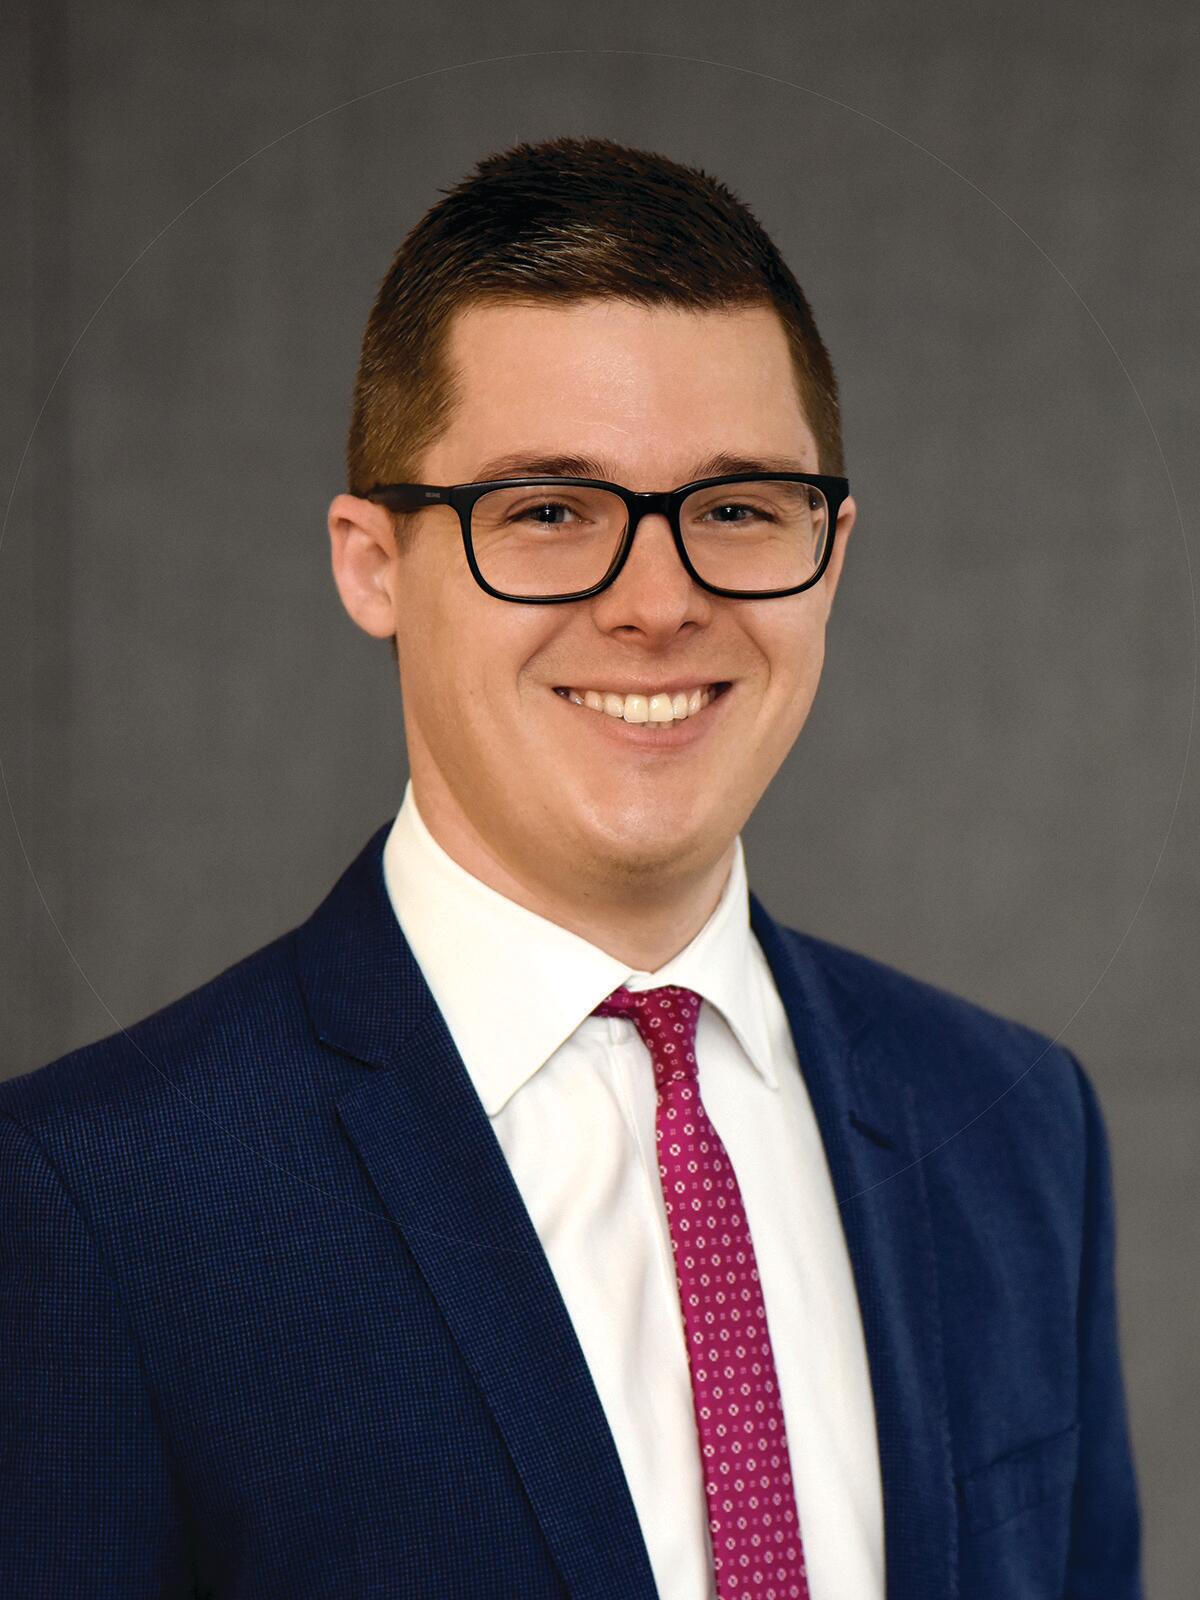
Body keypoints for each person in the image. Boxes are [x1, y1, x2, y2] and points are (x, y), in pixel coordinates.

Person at [0, 135, 1142, 1600]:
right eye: (548, 512)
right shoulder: (91, 1205)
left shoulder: (1016, 1126)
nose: (659, 602)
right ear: (372, 564)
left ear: (833, 551)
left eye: (737, 508)